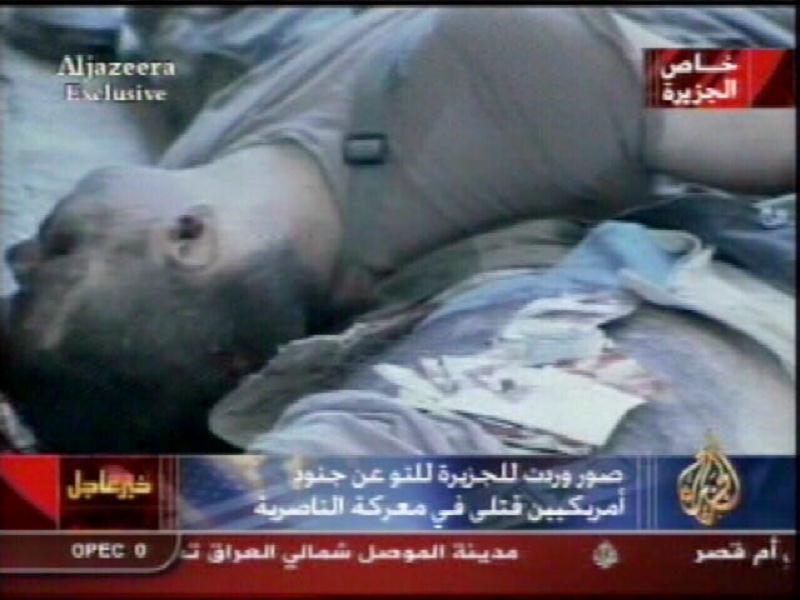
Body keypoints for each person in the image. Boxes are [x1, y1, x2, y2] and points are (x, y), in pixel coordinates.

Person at [2, 7, 794, 452]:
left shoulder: (205, 166)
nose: (18, 252)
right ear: (187, 241)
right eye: (55, 259)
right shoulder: (515, 63)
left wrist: (94, 70)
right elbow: (761, 104)